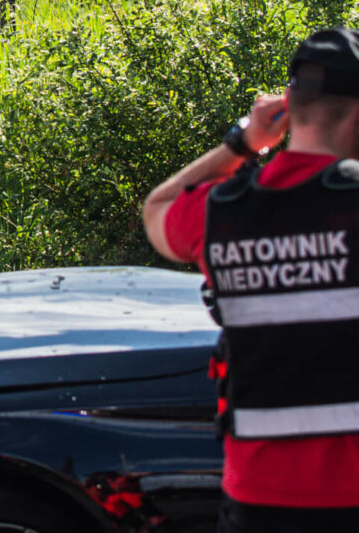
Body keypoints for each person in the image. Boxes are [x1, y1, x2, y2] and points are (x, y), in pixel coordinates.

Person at [142, 29, 359, 531]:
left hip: (258, 500)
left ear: (290, 106)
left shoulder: (222, 210)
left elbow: (158, 209)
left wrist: (241, 143)